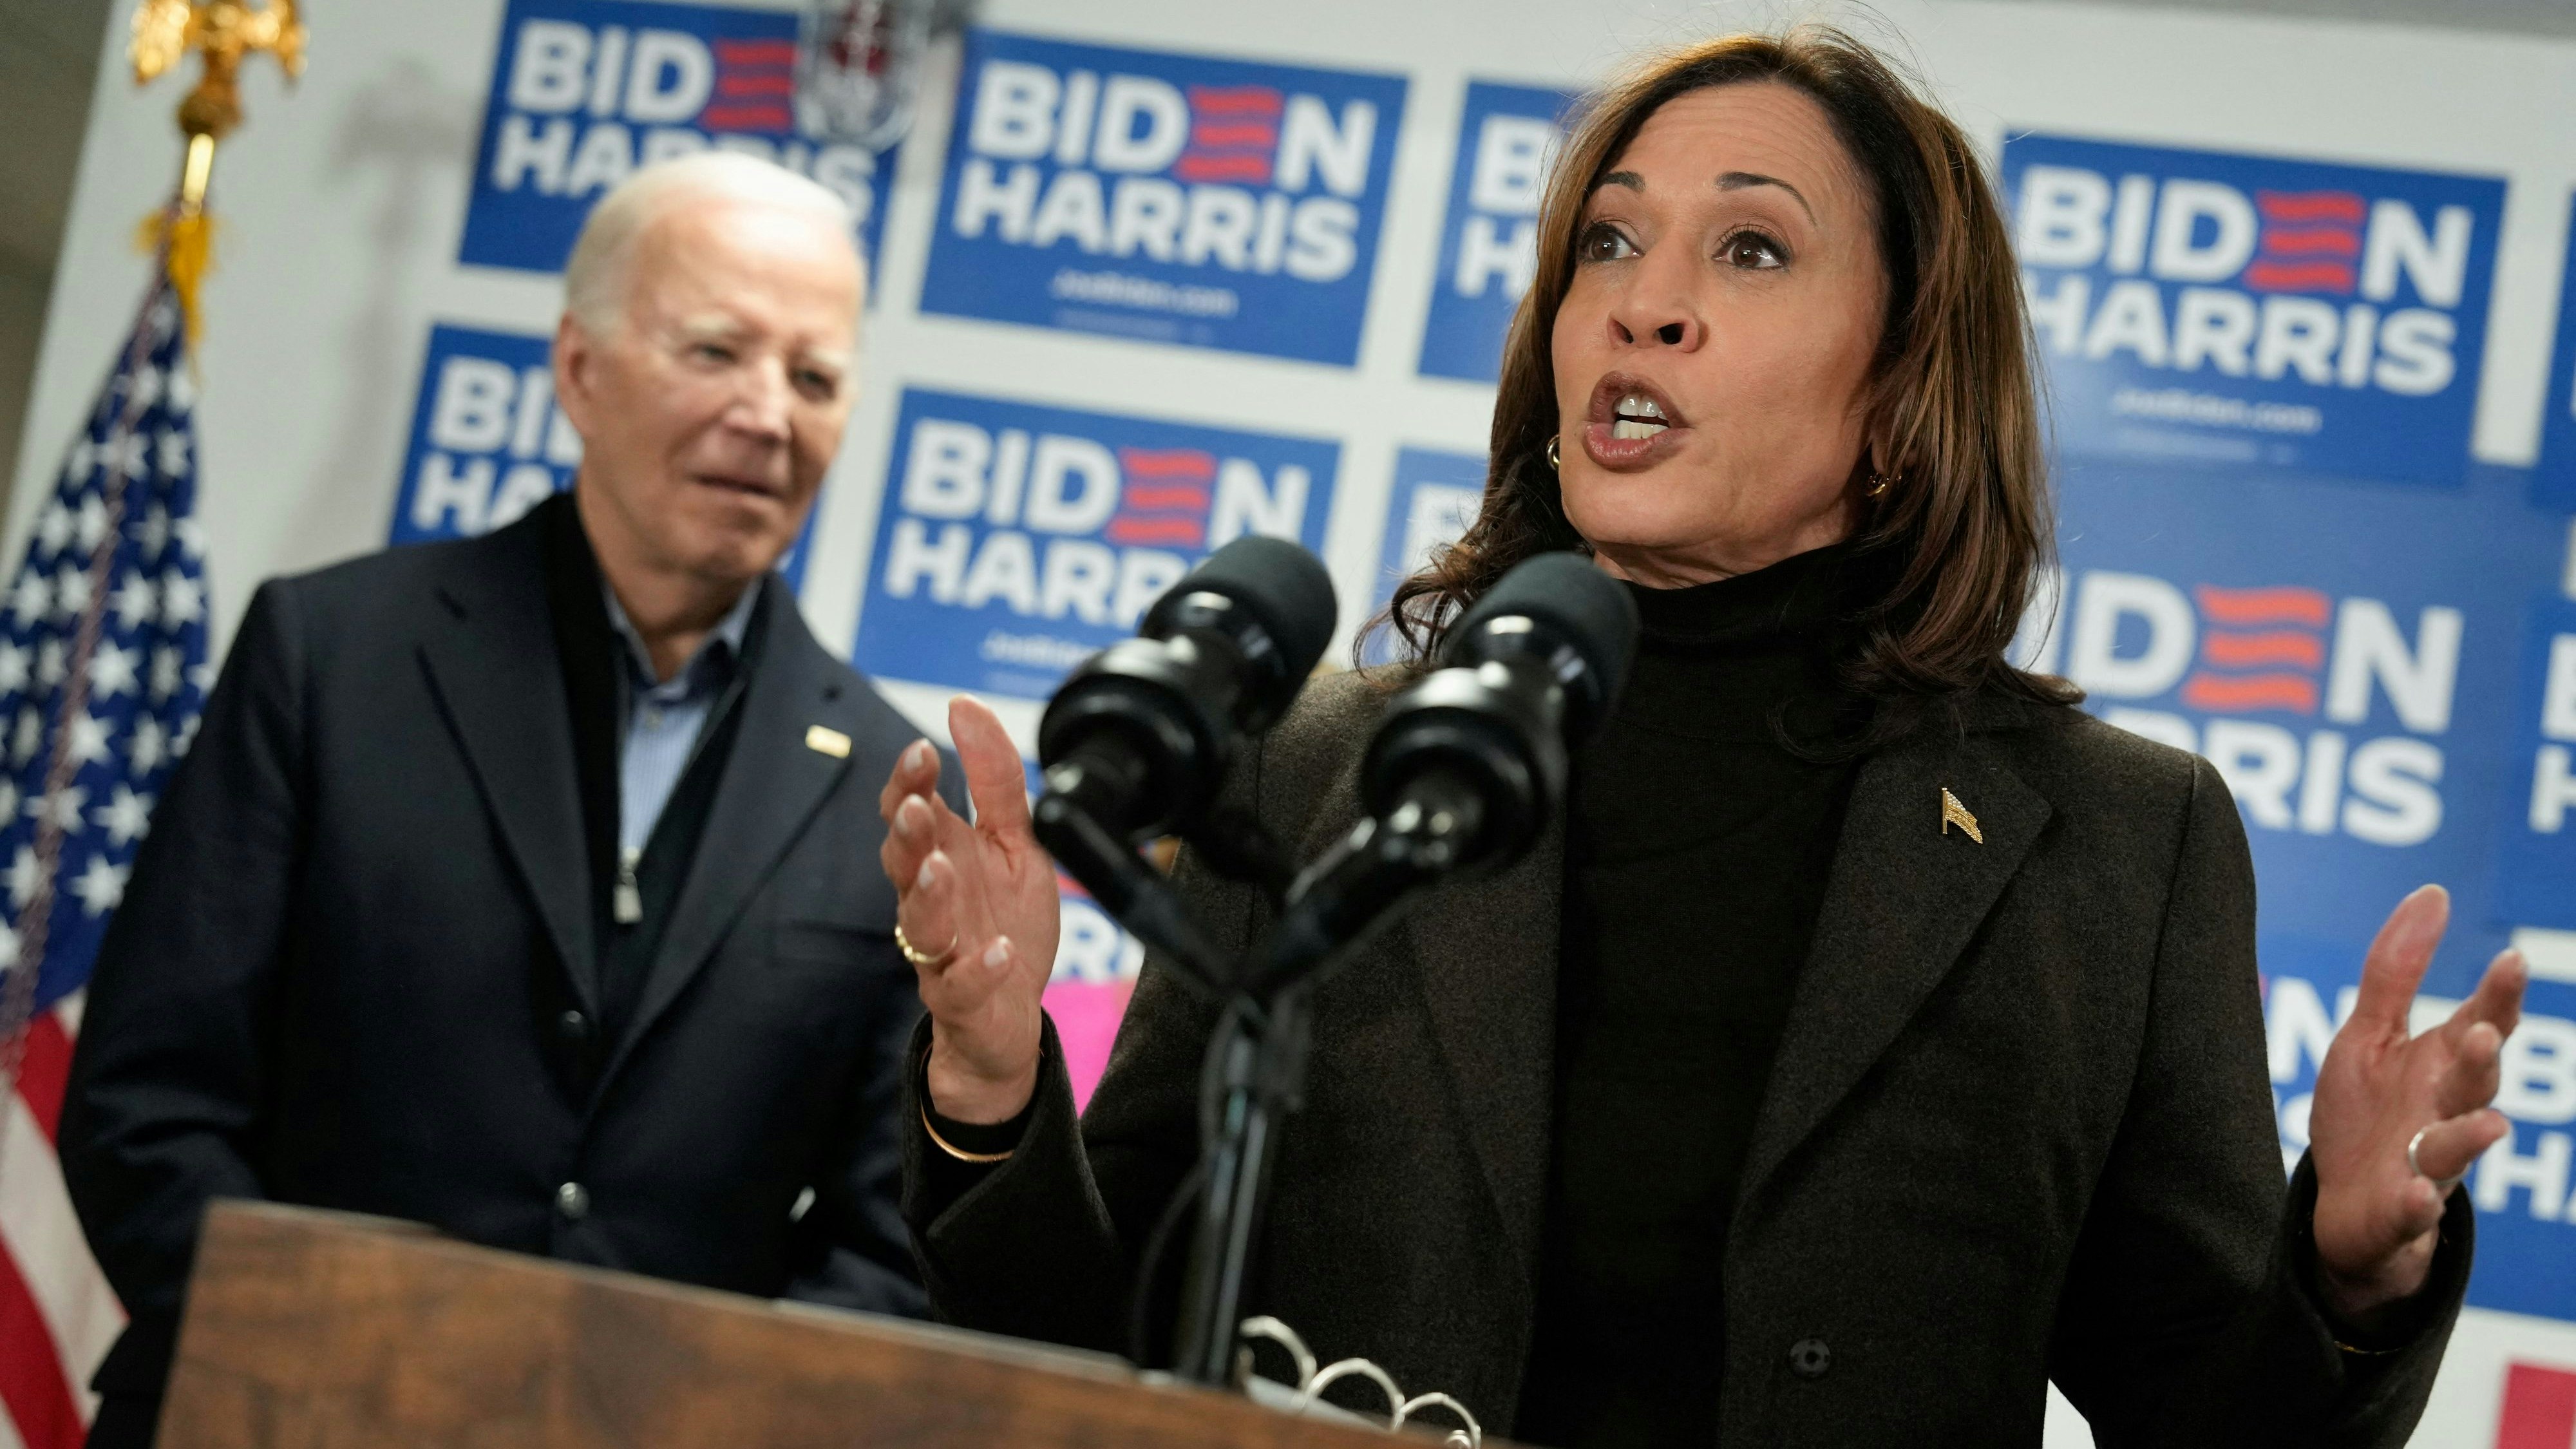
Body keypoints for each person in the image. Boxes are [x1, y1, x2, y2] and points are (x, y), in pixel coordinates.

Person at [872, 28, 2527, 1448]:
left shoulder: (2113, 841)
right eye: (1606, 243)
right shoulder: (1324, 765)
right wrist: (991, 1080)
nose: (1642, 307)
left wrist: (2346, 1270)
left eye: (1747, 250)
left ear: (1897, 392)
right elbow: (1112, 1343)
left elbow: (2198, 1415)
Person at [61, 153, 960, 1446]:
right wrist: (373, 1377)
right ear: (579, 370)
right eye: (716, 351)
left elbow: (889, 1252)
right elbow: (149, 1104)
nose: (767, 413)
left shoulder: (899, 792)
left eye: (813, 377)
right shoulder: (330, 658)